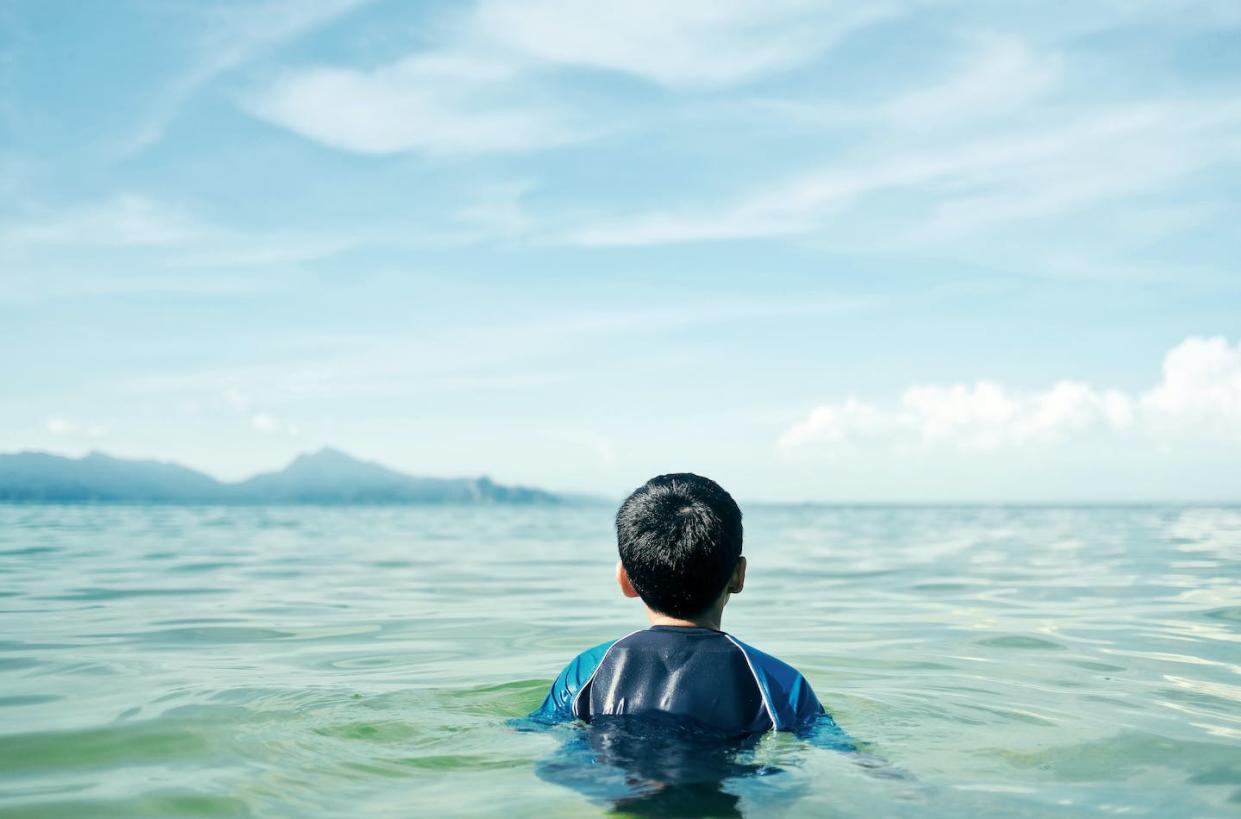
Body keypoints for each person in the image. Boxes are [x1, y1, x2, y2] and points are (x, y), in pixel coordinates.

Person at [529, 473, 845, 740]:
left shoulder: (588, 671)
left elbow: (529, 733)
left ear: (625, 580)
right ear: (739, 576)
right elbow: (845, 753)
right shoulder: (778, 684)